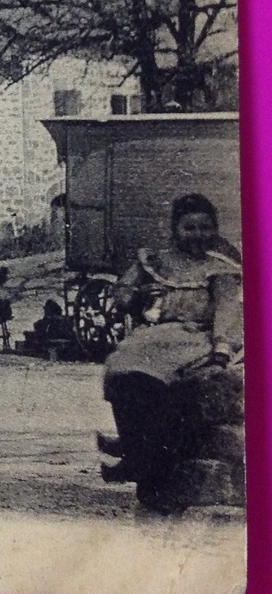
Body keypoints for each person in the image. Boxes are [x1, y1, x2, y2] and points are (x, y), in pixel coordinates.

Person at [99, 192, 244, 510]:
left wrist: (221, 348)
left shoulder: (218, 269)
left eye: (204, 228)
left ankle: (139, 459)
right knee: (121, 365)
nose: (197, 235)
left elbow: (226, 311)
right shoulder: (156, 261)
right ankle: (134, 448)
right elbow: (122, 291)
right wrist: (135, 298)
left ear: (214, 230)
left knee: (155, 379)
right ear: (175, 230)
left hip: (195, 336)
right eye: (189, 228)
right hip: (156, 335)